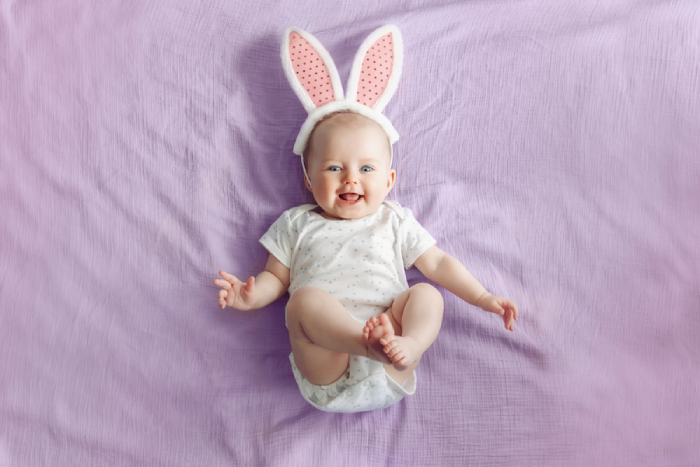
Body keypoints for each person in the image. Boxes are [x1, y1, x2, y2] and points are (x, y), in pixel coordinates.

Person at [214, 26, 518, 412]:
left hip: (394, 357)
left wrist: (483, 296)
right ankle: (365, 344)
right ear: (308, 181)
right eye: (335, 167)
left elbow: (438, 262)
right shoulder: (297, 223)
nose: (351, 178)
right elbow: (277, 278)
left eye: (367, 169)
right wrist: (252, 295)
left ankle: (409, 343)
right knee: (302, 304)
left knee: (426, 294)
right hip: (328, 365)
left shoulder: (395, 220)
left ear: (390, 181)